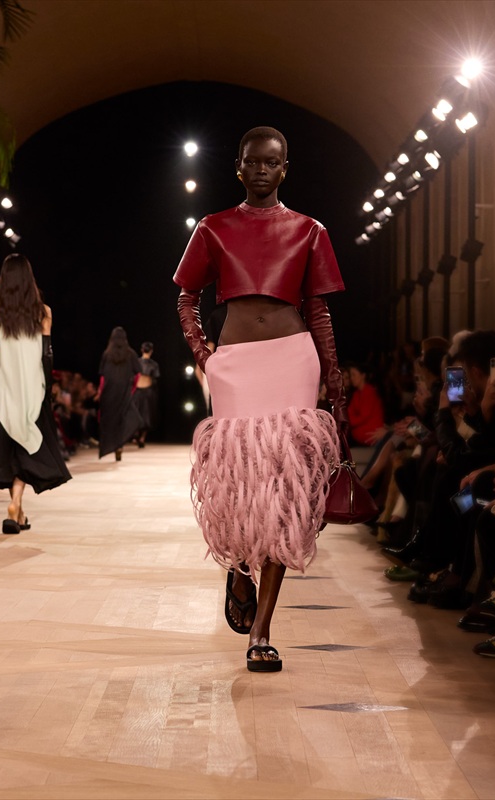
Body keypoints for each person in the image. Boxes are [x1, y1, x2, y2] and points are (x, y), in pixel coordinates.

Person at [173, 126, 346, 672]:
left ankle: (262, 630)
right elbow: (186, 296)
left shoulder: (309, 230)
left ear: (285, 168)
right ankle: (238, 566)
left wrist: (333, 375)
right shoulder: (213, 227)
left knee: (284, 492)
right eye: (254, 161)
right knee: (240, 482)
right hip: (236, 365)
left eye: (272, 162)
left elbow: (318, 308)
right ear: (239, 166)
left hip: (294, 360)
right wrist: (204, 354)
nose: (262, 170)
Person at [0, 254, 71, 532]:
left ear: (4, 279)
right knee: (25, 447)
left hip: (3, 388)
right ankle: (16, 507)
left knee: (8, 449)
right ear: (29, 279)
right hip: (32, 389)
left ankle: (16, 508)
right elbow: (47, 354)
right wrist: (47, 387)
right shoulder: (44, 312)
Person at [98, 327, 142, 461]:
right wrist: (133, 388)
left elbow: (102, 376)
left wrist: (100, 391)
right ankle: (119, 446)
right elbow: (138, 374)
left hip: (109, 391)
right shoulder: (131, 353)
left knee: (110, 420)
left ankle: (112, 446)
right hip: (124, 390)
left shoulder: (107, 354)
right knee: (123, 418)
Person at [346, 363, 385, 446]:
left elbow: (363, 416)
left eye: (354, 375)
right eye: (351, 375)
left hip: (372, 440)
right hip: (359, 439)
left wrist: (348, 421)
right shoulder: (356, 394)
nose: (352, 378)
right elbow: (349, 412)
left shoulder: (369, 392)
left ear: (363, 375)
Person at [133, 342, 160, 447]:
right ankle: (139, 436)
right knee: (142, 413)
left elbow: (155, 378)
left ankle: (141, 437)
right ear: (151, 351)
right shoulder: (138, 362)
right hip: (141, 390)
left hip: (146, 390)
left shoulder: (151, 364)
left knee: (145, 413)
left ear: (141, 349)